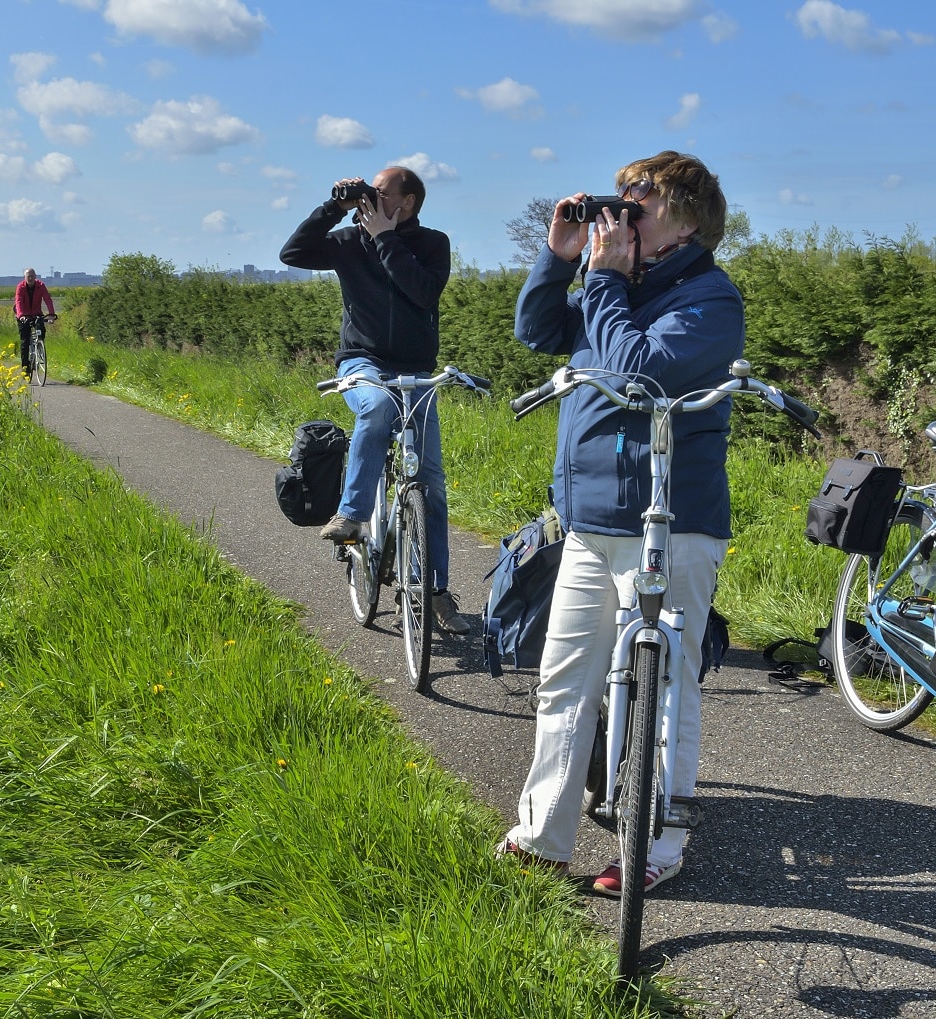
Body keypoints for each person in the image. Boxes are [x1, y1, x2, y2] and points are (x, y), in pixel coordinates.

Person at [498, 151, 742, 897]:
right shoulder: (617, 283)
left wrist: (602, 278)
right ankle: (543, 835)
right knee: (565, 678)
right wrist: (560, 257)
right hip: (590, 518)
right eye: (623, 194)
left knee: (665, 684)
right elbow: (539, 330)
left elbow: (644, 375)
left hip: (672, 522)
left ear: (687, 218)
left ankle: (658, 844)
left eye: (642, 197)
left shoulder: (707, 298)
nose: (625, 206)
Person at [279, 166, 471, 636]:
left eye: (378, 192)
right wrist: (335, 207)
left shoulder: (432, 244)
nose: (367, 196)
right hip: (361, 363)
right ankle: (353, 514)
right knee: (379, 407)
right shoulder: (347, 241)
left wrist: (386, 238)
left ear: (405, 202)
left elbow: (422, 291)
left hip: (415, 372)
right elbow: (293, 253)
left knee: (430, 484)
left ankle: (436, 592)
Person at [13, 268, 56, 375]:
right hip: (23, 314)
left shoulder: (40, 286)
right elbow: (18, 302)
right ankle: (25, 368)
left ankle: (40, 348)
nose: (31, 278)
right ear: (25, 277)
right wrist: (22, 316)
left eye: (32, 276)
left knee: (41, 331)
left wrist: (51, 314)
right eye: (28, 276)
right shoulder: (20, 287)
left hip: (37, 313)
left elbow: (47, 299)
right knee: (25, 341)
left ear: (35, 276)